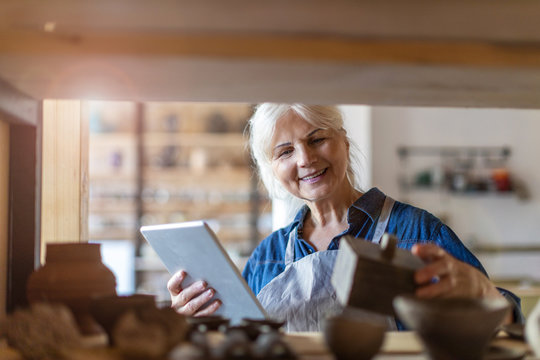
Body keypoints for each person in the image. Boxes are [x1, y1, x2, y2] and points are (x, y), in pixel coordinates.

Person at [167, 104, 523, 331]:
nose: (305, 159)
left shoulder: (416, 230)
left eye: (317, 138)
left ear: (344, 143)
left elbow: (507, 327)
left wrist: (486, 295)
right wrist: (193, 320)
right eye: (286, 151)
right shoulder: (268, 255)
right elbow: (239, 342)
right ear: (273, 169)